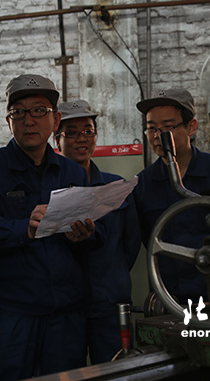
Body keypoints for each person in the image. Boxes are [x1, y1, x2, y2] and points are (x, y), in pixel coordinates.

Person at [0, 75, 99, 380]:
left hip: (65, 317)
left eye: (39, 111)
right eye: (18, 112)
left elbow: (90, 241)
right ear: (8, 121)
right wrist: (26, 229)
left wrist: (83, 236)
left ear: (55, 120)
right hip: (10, 317)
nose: (29, 120)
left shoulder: (73, 173)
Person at [133, 88, 210, 304]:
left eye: (168, 127)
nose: (158, 136)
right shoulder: (142, 184)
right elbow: (143, 239)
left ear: (191, 127)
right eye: (151, 128)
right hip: (171, 299)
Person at [54, 99, 141, 364]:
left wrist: (112, 275)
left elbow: (131, 243)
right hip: (63, 308)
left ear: (96, 136)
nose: (81, 138)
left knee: (117, 371)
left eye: (88, 131)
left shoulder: (116, 187)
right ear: (57, 140)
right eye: (71, 132)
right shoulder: (50, 192)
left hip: (109, 305)